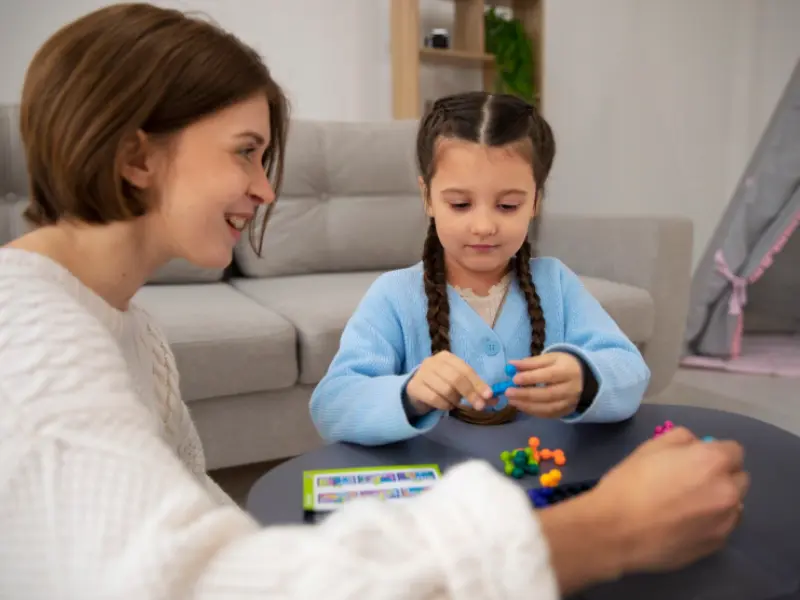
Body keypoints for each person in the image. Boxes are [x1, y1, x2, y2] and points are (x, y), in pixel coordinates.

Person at [0, 3, 749, 599]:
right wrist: (605, 531)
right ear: (137, 155)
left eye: (508, 204)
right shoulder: (32, 345)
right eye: (246, 151)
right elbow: (212, 579)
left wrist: (584, 379)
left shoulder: (125, 324)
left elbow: (189, 536)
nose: (266, 190)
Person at [309, 91, 651, 446]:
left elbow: (630, 371)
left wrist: (586, 379)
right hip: (440, 479)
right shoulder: (394, 296)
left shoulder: (556, 284)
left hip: (544, 475)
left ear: (535, 201)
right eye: (460, 204)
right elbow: (332, 406)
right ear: (427, 197)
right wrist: (410, 395)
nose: (484, 226)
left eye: (507, 205)